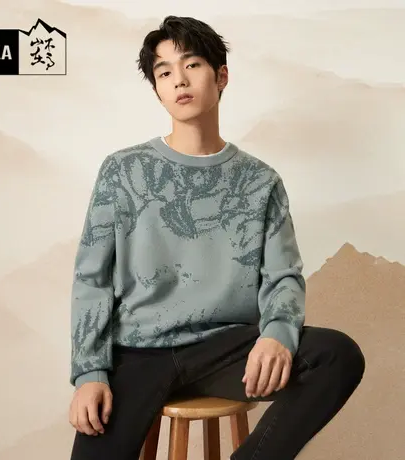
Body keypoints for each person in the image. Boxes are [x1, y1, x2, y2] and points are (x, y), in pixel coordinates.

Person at [68, 15, 365, 460]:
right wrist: (89, 372)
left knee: (338, 355)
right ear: (157, 89)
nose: (179, 80)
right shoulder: (123, 171)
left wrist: (276, 335)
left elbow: (283, 276)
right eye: (164, 72)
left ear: (221, 76)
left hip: (228, 348)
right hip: (139, 351)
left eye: (191, 65)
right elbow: (91, 279)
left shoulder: (260, 181)